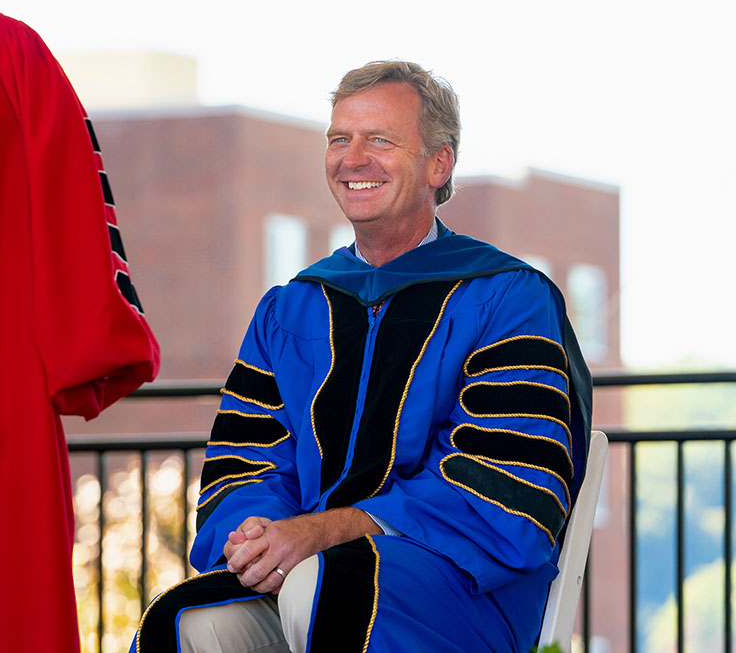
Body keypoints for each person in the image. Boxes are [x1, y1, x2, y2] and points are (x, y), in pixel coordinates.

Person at [131, 61, 592, 652]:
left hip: (461, 585)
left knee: (322, 587)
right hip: (307, 575)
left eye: (380, 139)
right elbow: (246, 461)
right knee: (190, 620)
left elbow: (501, 480)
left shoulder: (506, 298)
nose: (354, 158)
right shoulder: (293, 307)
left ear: (438, 164)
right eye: (339, 139)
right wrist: (259, 533)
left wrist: (325, 534)